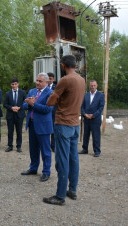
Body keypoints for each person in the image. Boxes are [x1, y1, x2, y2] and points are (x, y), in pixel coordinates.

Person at [44, 55, 85, 205]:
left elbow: (51, 101)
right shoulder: (81, 80)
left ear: (63, 65)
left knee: (62, 160)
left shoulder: (65, 80)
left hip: (63, 123)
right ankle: (72, 190)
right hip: (75, 124)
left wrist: (55, 99)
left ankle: (60, 196)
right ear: (75, 65)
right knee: (74, 158)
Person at [21, 73, 53, 182]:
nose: (37, 83)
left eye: (40, 81)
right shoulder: (32, 91)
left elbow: (47, 109)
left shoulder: (50, 93)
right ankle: (33, 168)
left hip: (43, 125)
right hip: (32, 123)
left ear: (46, 82)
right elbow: (24, 105)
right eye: (37, 80)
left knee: (45, 150)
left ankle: (46, 172)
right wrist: (29, 103)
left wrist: (33, 104)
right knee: (33, 149)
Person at [79, 80, 105, 157]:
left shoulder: (101, 95)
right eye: (91, 85)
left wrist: (93, 115)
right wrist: (84, 114)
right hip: (86, 118)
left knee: (96, 135)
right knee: (86, 134)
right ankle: (85, 149)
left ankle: (97, 151)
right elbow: (82, 106)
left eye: (94, 85)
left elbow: (101, 107)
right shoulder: (85, 95)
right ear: (89, 86)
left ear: (97, 86)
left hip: (95, 119)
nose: (93, 87)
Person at [3, 78, 27, 152]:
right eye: (12, 84)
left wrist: (19, 107)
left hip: (19, 114)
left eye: (15, 84)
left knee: (19, 131)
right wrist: (11, 108)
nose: (14, 85)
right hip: (10, 114)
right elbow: (5, 104)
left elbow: (26, 102)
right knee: (10, 131)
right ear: (11, 85)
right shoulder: (8, 93)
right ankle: (10, 146)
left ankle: (18, 146)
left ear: (18, 84)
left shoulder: (22, 92)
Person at [47, 72, 57, 152]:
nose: (49, 80)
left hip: (54, 111)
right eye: (48, 79)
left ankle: (53, 146)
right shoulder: (43, 87)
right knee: (45, 129)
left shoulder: (56, 87)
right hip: (45, 110)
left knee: (53, 129)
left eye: (50, 79)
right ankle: (46, 145)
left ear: (53, 79)